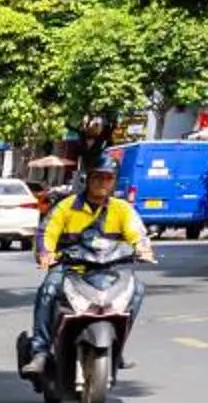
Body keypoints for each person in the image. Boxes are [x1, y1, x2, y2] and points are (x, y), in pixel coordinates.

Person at [28, 157, 153, 371]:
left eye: (108, 178)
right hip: (70, 269)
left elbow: (137, 233)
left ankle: (118, 347)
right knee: (48, 290)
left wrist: (143, 248)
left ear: (114, 181)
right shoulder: (66, 206)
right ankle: (40, 351)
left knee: (137, 290)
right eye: (97, 177)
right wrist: (46, 254)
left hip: (108, 270)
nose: (102, 182)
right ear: (88, 179)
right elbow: (46, 232)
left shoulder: (122, 209)